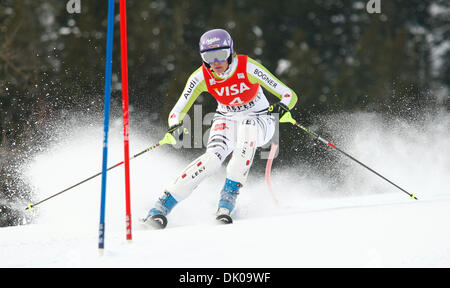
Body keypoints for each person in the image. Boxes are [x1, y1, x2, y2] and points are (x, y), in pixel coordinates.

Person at [145, 28, 298, 228]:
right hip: (226, 118)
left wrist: (282, 106)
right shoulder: (201, 77)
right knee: (211, 160)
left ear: (231, 52)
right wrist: (174, 127)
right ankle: (161, 206)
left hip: (260, 120)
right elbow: (177, 111)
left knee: (248, 127)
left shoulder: (248, 67)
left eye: (221, 55)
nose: (215, 62)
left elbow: (289, 95)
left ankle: (227, 200)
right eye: (209, 57)